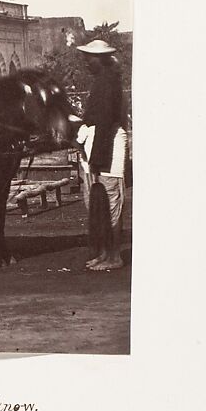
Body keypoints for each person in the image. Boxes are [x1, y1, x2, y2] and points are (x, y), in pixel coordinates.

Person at [75, 39, 128, 271]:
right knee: (101, 201)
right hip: (99, 144)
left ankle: (114, 256)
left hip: (108, 144)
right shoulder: (102, 80)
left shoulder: (108, 82)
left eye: (90, 58)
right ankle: (105, 252)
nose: (86, 62)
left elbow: (106, 122)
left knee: (110, 200)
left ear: (100, 59)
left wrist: (97, 157)